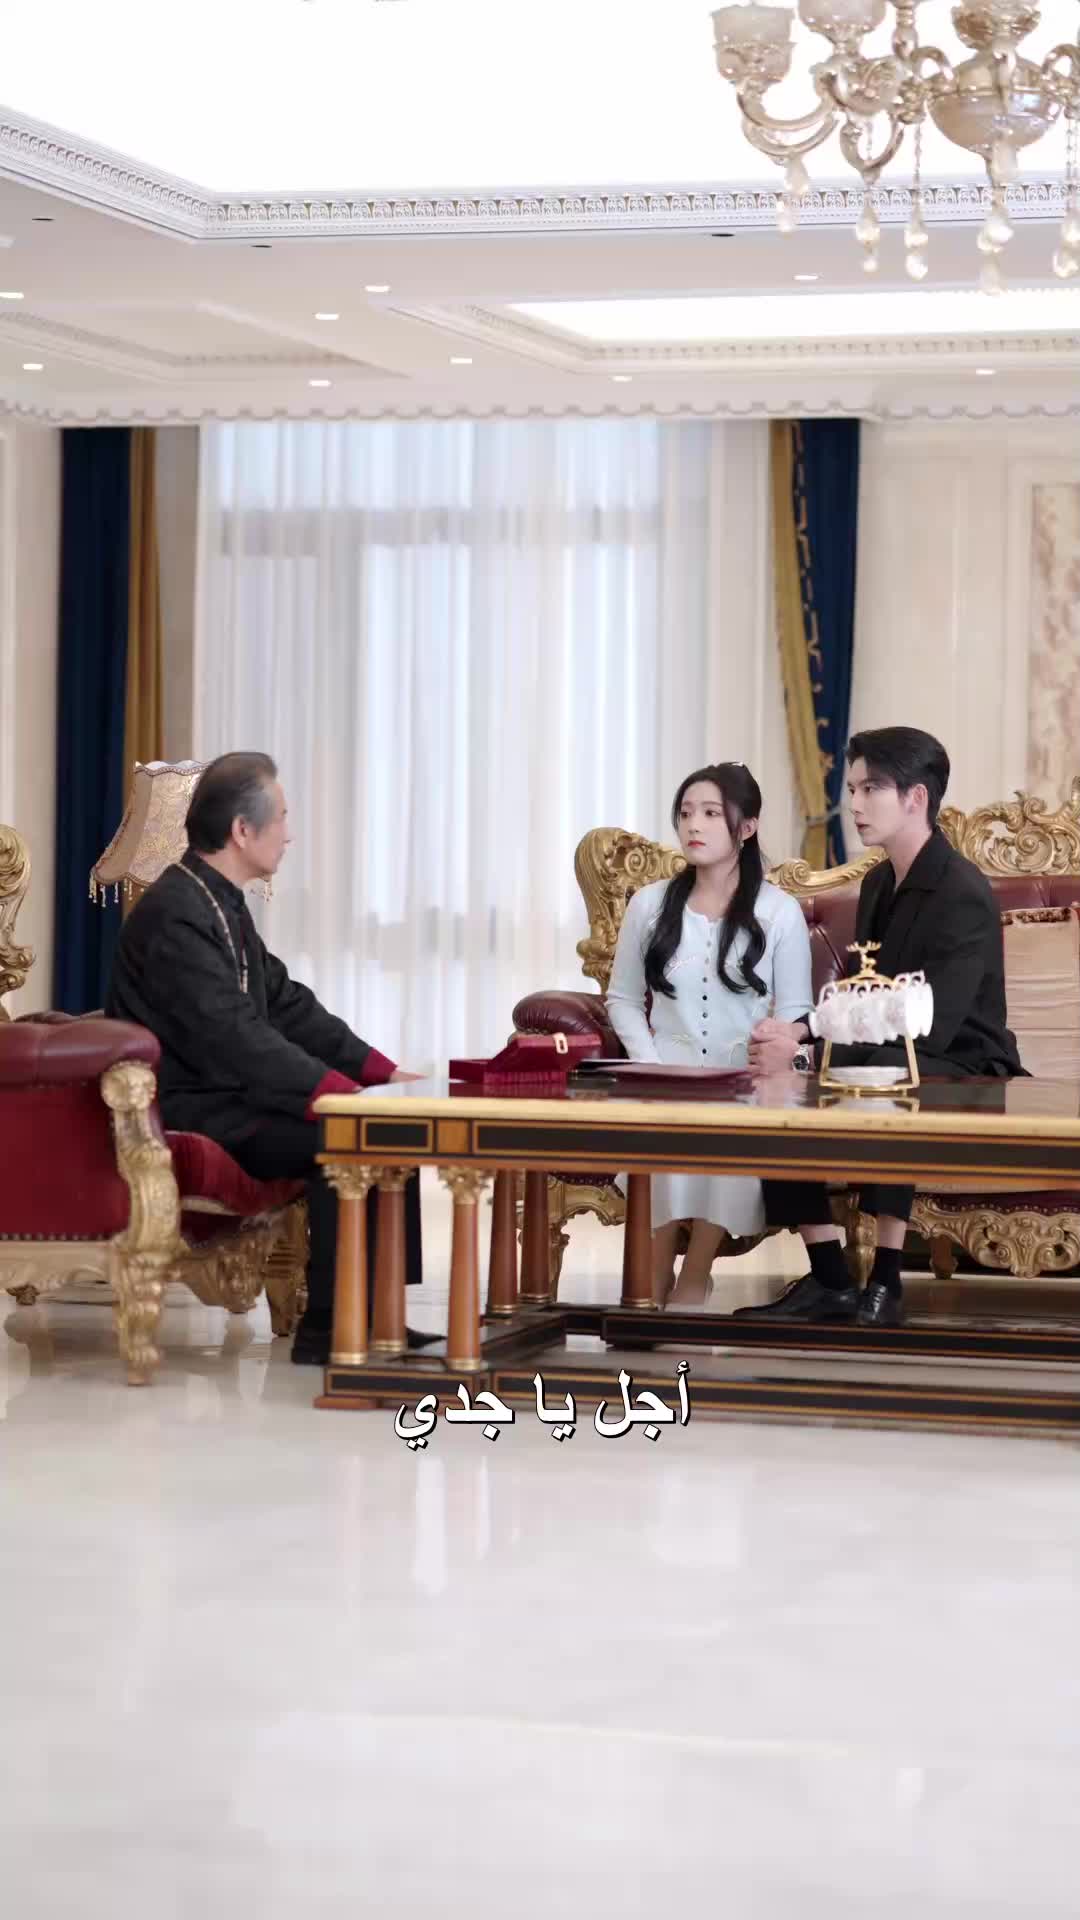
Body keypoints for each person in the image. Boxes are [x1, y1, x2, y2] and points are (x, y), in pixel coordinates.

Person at [106, 752, 435, 1364]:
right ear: (242, 830)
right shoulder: (173, 914)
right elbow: (234, 1037)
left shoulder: (219, 902)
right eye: (281, 817)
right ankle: (331, 1326)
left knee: (389, 1121)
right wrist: (335, 1093)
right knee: (348, 1132)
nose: (289, 833)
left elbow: (286, 1005)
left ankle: (381, 1314)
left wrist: (381, 1072)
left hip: (230, 1097)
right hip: (187, 1107)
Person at [741, 725, 1024, 1329]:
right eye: (851, 789)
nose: (855, 803)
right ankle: (829, 1274)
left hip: (966, 1063)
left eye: (870, 788)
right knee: (780, 1086)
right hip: (895, 1051)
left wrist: (811, 1054)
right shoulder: (876, 882)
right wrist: (797, 1036)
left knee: (884, 1081)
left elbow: (933, 1025)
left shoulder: (961, 889)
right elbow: (863, 996)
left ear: (916, 797)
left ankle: (887, 1279)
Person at [606, 762, 813, 1306]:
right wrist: (649, 1065)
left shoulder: (779, 912)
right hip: (662, 1069)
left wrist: (774, 1047)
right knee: (656, 1125)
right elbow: (622, 999)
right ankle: (653, 1268)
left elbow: (797, 1011)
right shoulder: (649, 904)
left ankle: (696, 1272)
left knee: (733, 1128)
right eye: (685, 812)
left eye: (711, 813)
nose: (693, 825)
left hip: (743, 1078)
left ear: (747, 827)